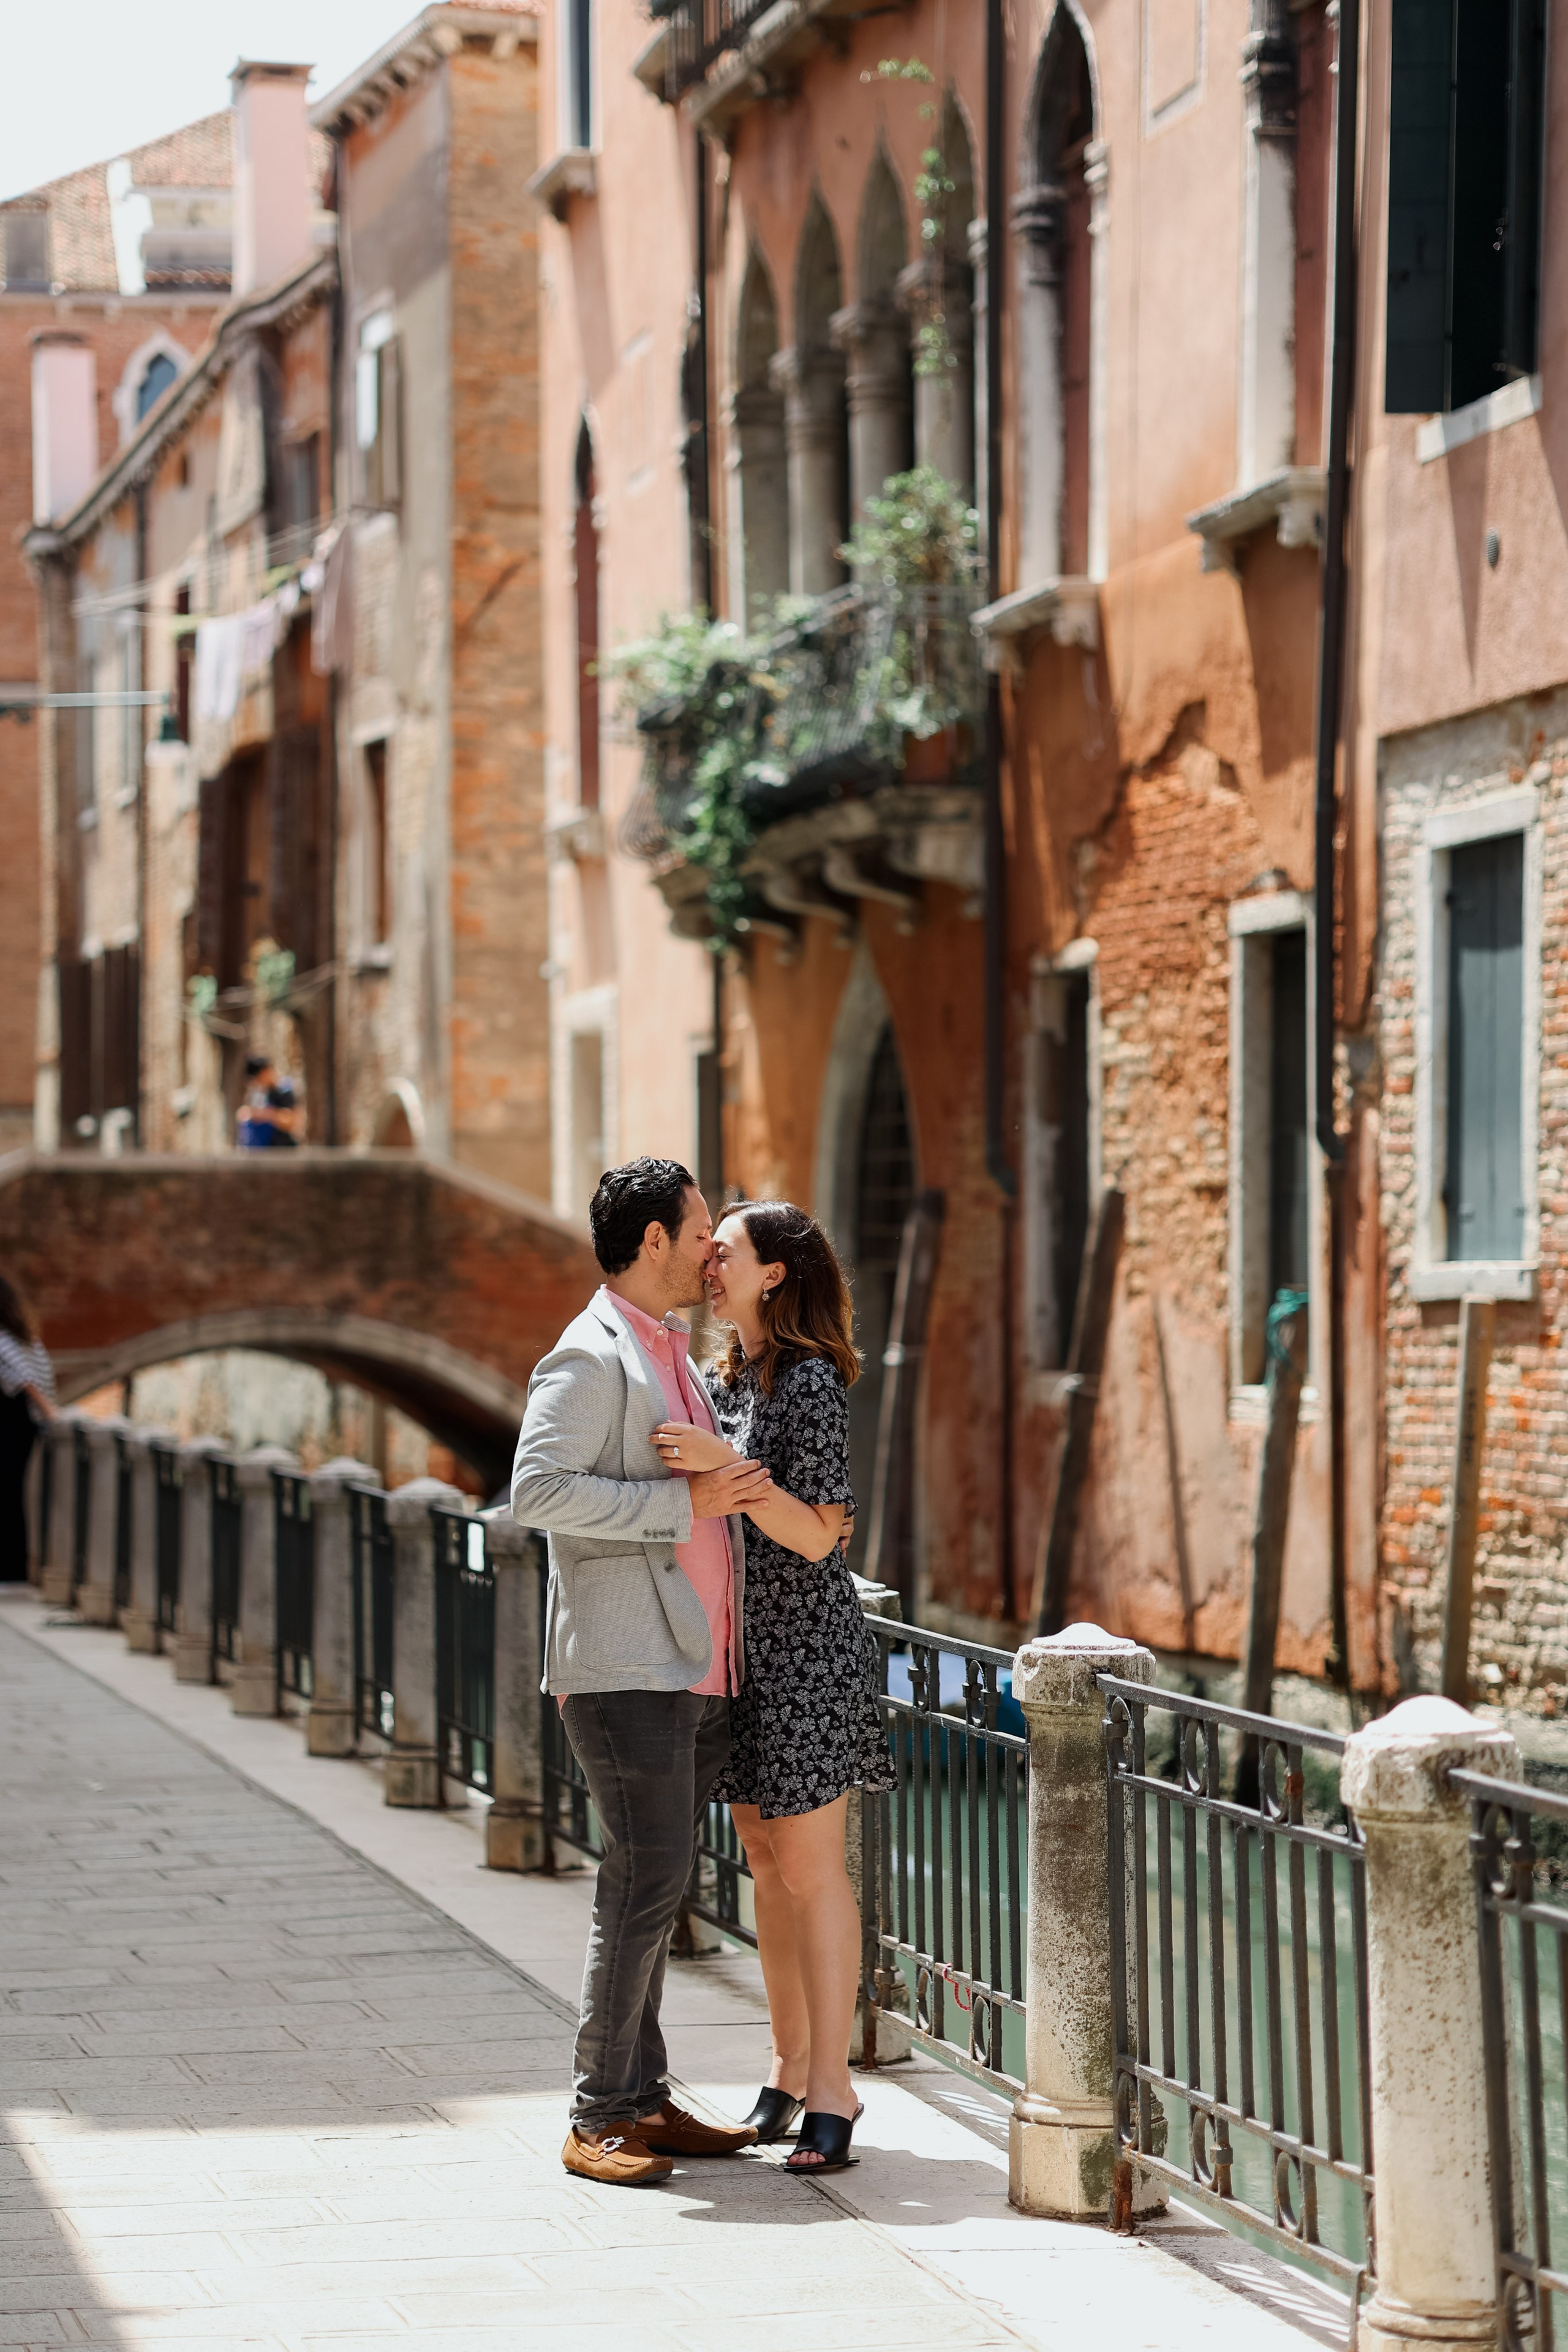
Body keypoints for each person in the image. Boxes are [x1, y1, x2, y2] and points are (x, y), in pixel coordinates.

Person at [511, 1157, 771, 2187]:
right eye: (701, 1225)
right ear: (654, 1240)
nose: (712, 1244)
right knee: (643, 1879)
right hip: (624, 1667)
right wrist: (682, 1509)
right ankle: (597, 2114)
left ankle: (646, 2098)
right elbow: (536, 1492)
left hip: (687, 1663)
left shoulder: (671, 1351)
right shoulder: (590, 1356)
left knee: (660, 1886)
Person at [652, 1202, 893, 2177]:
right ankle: (790, 2069)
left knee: (811, 1869)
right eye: (706, 1256)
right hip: (742, 1656)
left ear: (774, 1275)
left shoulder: (809, 1385)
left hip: (807, 1655)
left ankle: (836, 2087)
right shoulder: (729, 1379)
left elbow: (820, 1534)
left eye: (725, 1256)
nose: (709, 1269)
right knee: (762, 1857)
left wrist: (727, 1470)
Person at [0, 1276, 56, 1580]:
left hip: (11, 1424)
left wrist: (49, 1411)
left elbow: (25, 1380)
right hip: (24, 1424)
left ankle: (11, 1568)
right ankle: (14, 1566)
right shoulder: (26, 1340)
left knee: (8, 1494)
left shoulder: (3, 1340)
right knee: (12, 1493)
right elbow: (42, 1376)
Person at [236, 1055, 299, 1150]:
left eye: (257, 1079)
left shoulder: (285, 1091)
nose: (257, 1083)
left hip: (283, 1151)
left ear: (264, 1072)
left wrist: (267, 1115)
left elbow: (292, 1122)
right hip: (265, 1149)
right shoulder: (265, 1093)